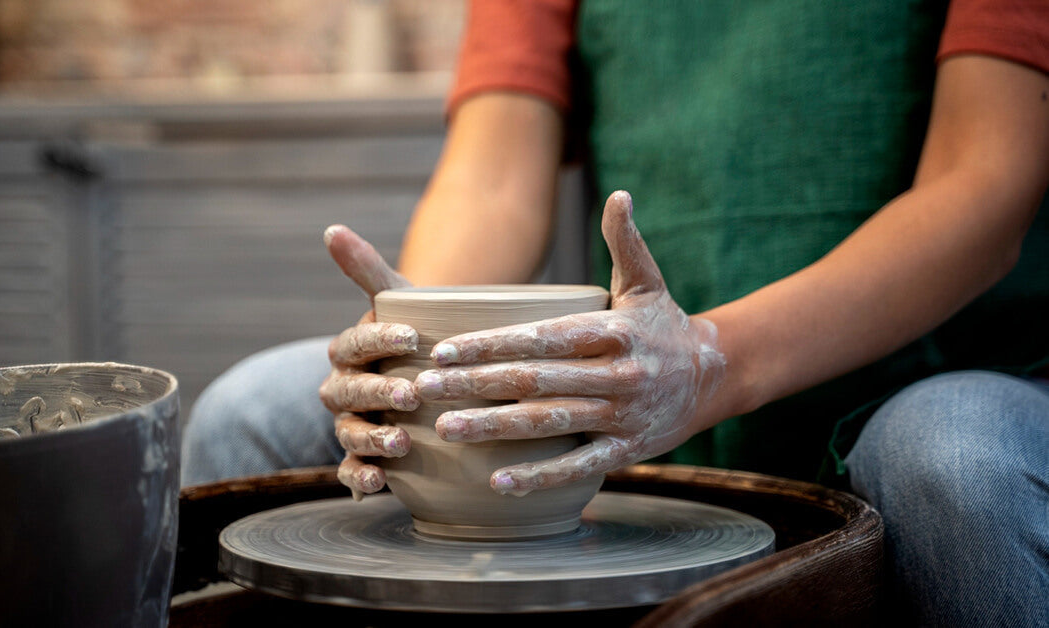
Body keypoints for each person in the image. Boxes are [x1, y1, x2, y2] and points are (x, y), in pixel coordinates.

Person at [182, 0, 1049, 624]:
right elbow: (493, 175)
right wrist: (414, 359)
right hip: (637, 384)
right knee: (250, 412)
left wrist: (712, 360)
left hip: (932, 362)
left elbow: (985, 187)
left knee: (956, 460)